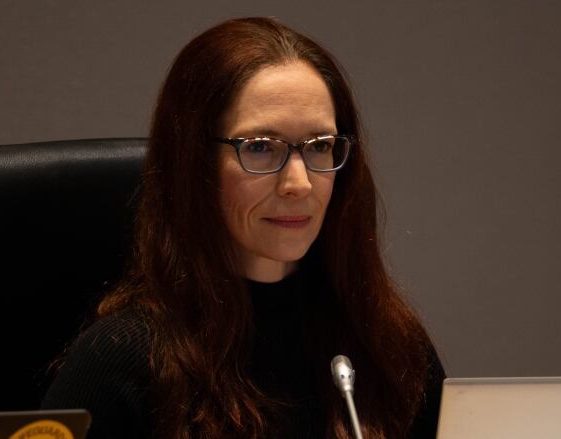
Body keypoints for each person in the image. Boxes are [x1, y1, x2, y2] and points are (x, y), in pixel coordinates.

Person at [42, 17, 445, 439]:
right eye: (259, 148)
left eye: (320, 147)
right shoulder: (122, 362)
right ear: (194, 164)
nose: (299, 183)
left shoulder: (384, 345)